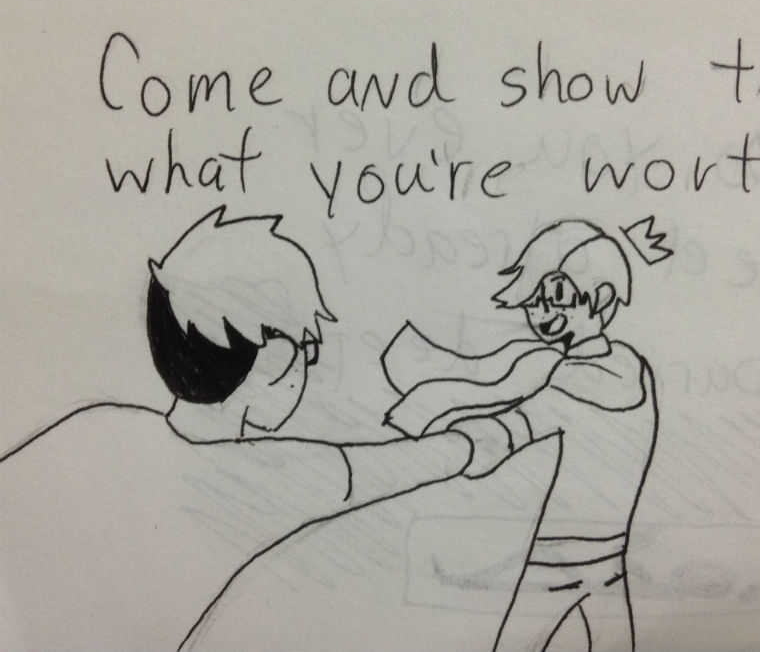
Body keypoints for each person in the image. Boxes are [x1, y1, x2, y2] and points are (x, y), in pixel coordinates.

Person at [0, 207, 479, 651]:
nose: (306, 365)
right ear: (276, 357)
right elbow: (410, 464)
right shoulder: (263, 476)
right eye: (308, 349)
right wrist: (497, 431)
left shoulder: (95, 423)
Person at [382, 219, 668, 651]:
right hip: (610, 558)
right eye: (534, 303)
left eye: (557, 297)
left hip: (557, 562)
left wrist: (459, 447)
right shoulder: (635, 369)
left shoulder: (568, 381)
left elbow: (514, 428)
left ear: (602, 298)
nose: (542, 314)